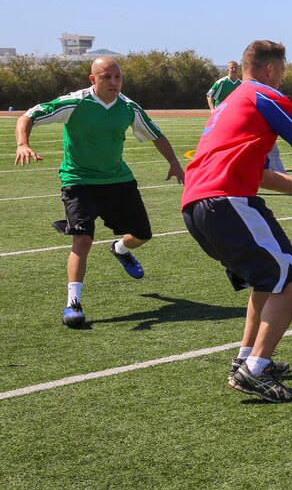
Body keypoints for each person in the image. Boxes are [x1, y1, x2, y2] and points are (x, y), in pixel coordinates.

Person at [182, 40, 292, 402]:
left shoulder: (230, 102)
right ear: (269, 69)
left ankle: (245, 361)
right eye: (281, 70)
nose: (282, 78)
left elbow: (262, 175)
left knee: (267, 283)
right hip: (227, 200)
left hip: (198, 204)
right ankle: (256, 370)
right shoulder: (264, 96)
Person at [14, 57, 185, 327]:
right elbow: (29, 115)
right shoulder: (75, 103)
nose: (113, 82)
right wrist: (23, 143)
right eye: (106, 77)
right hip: (78, 181)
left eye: (117, 77)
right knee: (82, 239)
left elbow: (156, 134)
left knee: (142, 234)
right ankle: (74, 303)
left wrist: (174, 162)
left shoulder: (129, 108)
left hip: (118, 180)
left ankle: (120, 249)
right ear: (93, 79)